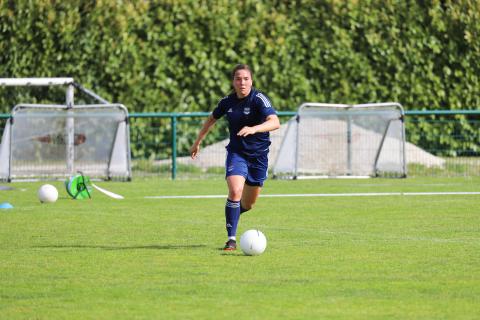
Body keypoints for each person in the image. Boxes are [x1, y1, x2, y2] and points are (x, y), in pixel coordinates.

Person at [190, 64, 280, 251]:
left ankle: (232, 214)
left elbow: (275, 122)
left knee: (248, 204)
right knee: (235, 191)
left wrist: (254, 128)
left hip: (259, 158)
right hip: (236, 153)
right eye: (238, 79)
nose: (242, 82)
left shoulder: (259, 99)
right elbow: (212, 118)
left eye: (246, 79)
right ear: (233, 82)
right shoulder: (227, 102)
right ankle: (231, 239)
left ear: (251, 81)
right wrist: (198, 141)